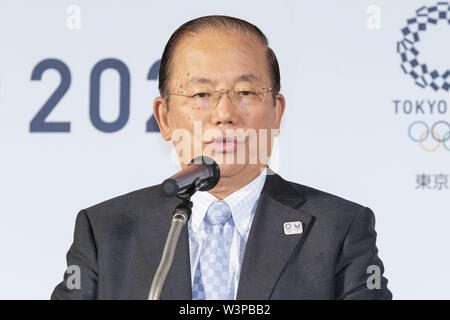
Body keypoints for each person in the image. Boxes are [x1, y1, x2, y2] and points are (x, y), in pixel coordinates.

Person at [51, 15, 392, 300]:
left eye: (245, 92)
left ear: (276, 113)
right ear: (165, 117)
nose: (224, 113)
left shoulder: (339, 229)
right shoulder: (107, 231)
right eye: (201, 94)